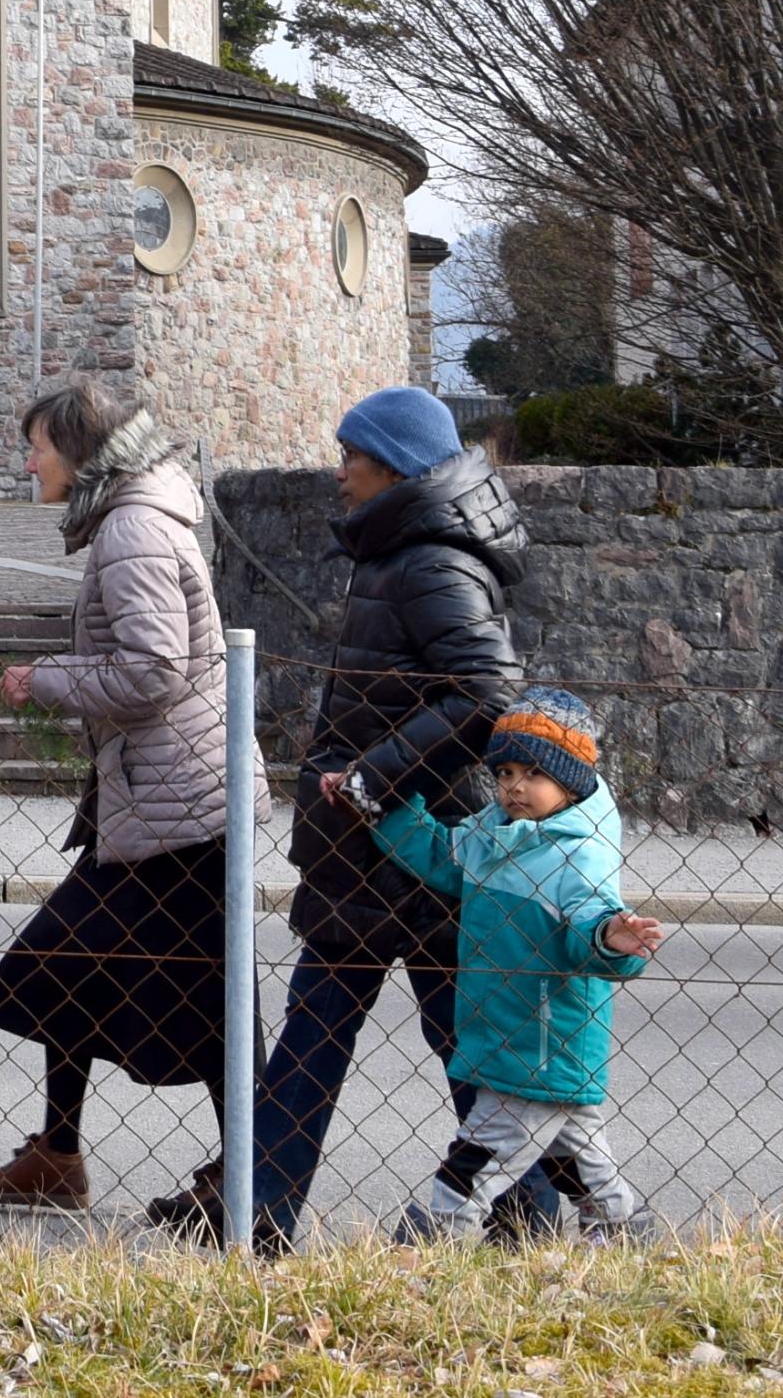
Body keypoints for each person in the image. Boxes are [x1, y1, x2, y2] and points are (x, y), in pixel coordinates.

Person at [251, 384, 561, 1249]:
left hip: (409, 841)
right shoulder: (402, 550)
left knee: (394, 1034)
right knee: (353, 1031)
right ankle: (261, 1210)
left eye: (351, 454)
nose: (339, 471)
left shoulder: (429, 562)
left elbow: (488, 690)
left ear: (394, 464)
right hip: (382, 843)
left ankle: (262, 1211)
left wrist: (370, 778)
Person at [0, 376, 230, 1221]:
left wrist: (47, 679)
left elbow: (154, 669)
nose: (27, 462)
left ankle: (253, 1171)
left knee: (199, 996)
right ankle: (59, 1153)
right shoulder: (132, 519)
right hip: (154, 792)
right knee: (67, 971)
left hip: (176, 800)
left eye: (36, 446)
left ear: (80, 453)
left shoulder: (133, 528)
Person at [364, 688, 668, 1242]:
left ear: (570, 780)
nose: (515, 787)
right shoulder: (495, 831)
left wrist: (609, 937)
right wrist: (385, 811)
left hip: (544, 1040)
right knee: (570, 1149)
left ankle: (437, 1233)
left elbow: (590, 917)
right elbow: (443, 856)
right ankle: (621, 1225)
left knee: (483, 1147)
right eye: (504, 773)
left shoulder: (580, 854)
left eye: (533, 774)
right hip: (503, 1027)